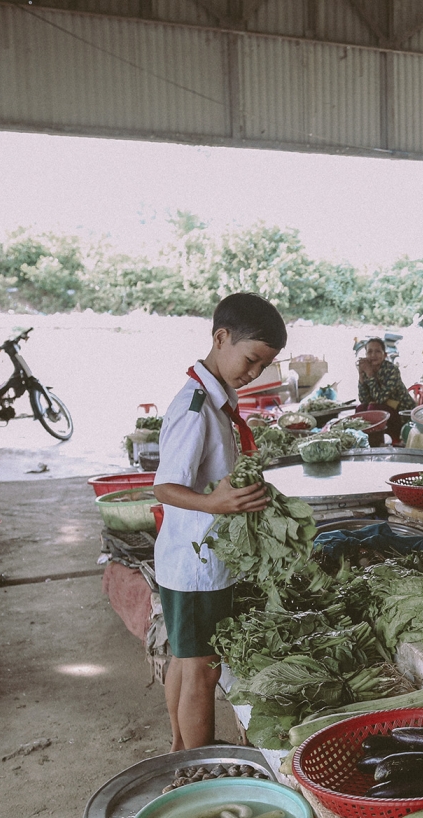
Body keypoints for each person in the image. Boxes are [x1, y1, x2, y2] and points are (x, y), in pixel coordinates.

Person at [152, 293, 286, 750]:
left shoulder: (214, 400)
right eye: (251, 360)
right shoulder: (194, 408)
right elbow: (165, 487)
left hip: (189, 559)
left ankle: (178, 749)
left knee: (185, 659)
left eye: (263, 367)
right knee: (202, 673)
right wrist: (216, 505)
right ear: (221, 338)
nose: (254, 374)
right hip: (196, 567)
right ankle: (200, 767)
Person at [356, 337, 417, 444]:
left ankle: (388, 439)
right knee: (360, 409)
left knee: (372, 408)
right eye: (369, 352)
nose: (373, 355)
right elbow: (363, 400)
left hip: (402, 414)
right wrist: (361, 377)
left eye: (377, 351)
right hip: (383, 410)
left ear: (384, 355)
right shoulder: (367, 368)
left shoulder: (392, 370)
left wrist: (370, 375)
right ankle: (367, 441)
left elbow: (380, 399)